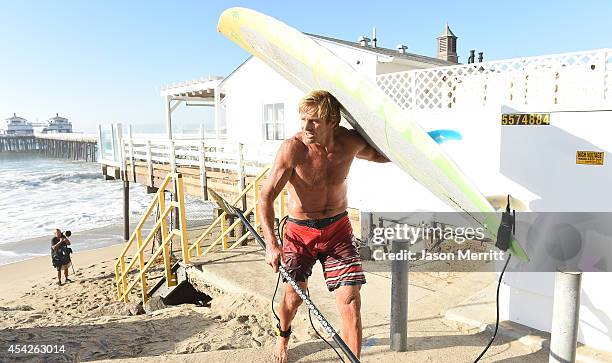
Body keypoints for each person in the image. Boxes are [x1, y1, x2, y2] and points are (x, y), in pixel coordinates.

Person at [260, 90, 389, 363]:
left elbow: (382, 155)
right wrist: (272, 244)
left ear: (332, 122)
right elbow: (266, 197)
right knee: (293, 298)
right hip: (299, 233)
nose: (305, 127)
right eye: (302, 119)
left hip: (338, 231)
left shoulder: (349, 142)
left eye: (314, 121)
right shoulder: (293, 149)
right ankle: (283, 336)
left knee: (351, 301)